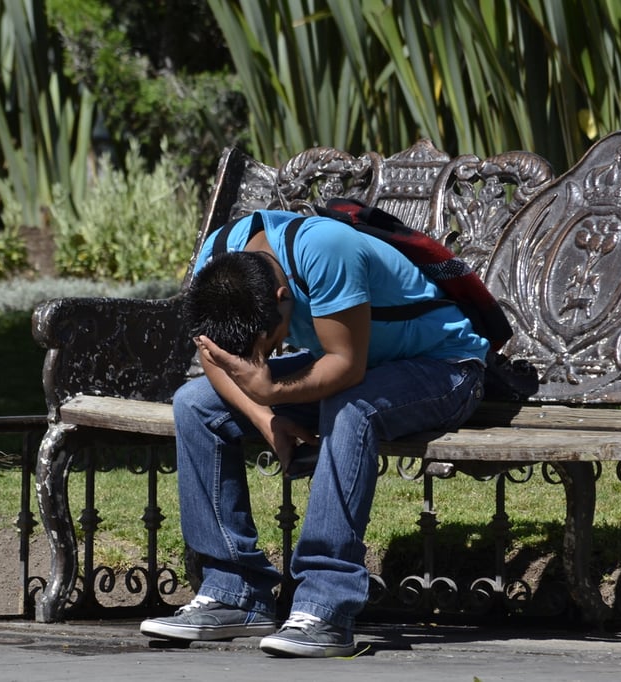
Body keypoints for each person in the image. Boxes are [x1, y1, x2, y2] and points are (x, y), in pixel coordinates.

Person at [139, 208, 487, 657]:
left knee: (350, 407)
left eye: (269, 343)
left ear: (283, 296)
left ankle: (326, 606)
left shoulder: (325, 249)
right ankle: (234, 592)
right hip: (364, 372)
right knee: (195, 403)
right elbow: (215, 358)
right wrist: (268, 417)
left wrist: (268, 388)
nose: (267, 354)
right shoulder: (220, 257)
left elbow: (346, 365)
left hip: (445, 367)